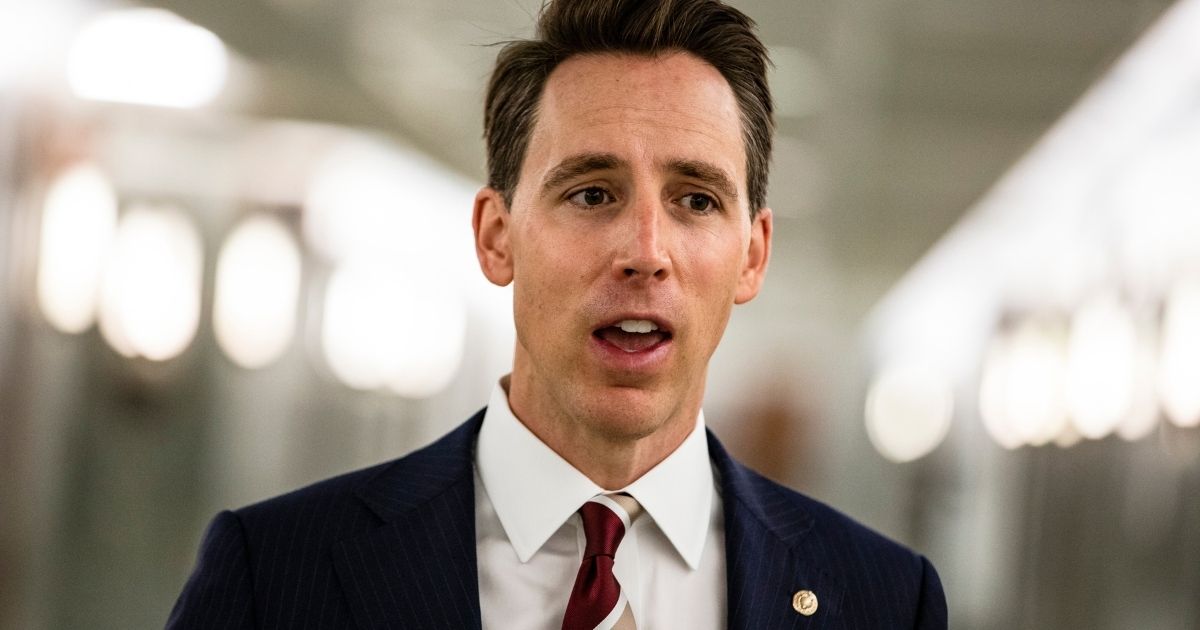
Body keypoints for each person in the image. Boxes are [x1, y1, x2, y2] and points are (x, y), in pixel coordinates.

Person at [167, 0, 947, 628]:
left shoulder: (882, 600)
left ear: (752, 255)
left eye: (696, 200)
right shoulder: (273, 573)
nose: (646, 251)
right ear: (496, 237)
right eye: (592, 193)